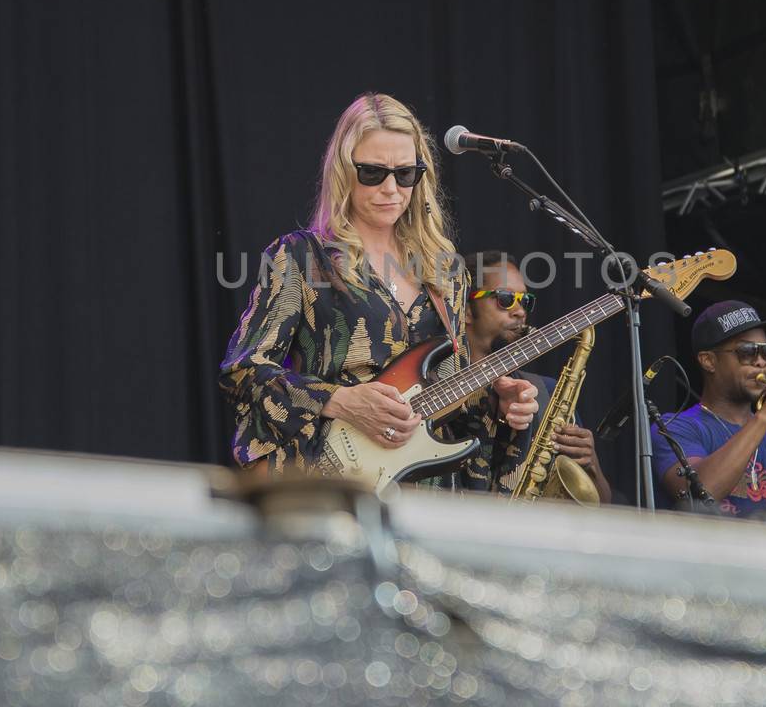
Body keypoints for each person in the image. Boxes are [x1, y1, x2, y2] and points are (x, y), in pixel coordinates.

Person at [219, 93, 538, 475]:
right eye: (373, 173)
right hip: (325, 478)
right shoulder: (302, 258)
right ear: (343, 173)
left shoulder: (445, 270)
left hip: (420, 492)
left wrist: (496, 404)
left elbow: (449, 395)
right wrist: (339, 400)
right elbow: (244, 370)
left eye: (405, 174)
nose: (391, 189)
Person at [650, 300, 766, 516]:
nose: (761, 363)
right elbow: (703, 494)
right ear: (708, 361)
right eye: (747, 351)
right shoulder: (674, 428)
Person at [456, 250, 614, 502]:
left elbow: (602, 503)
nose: (519, 311)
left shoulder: (548, 391)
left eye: (525, 300)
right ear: (464, 310)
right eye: (505, 299)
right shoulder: (435, 387)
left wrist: (590, 462)